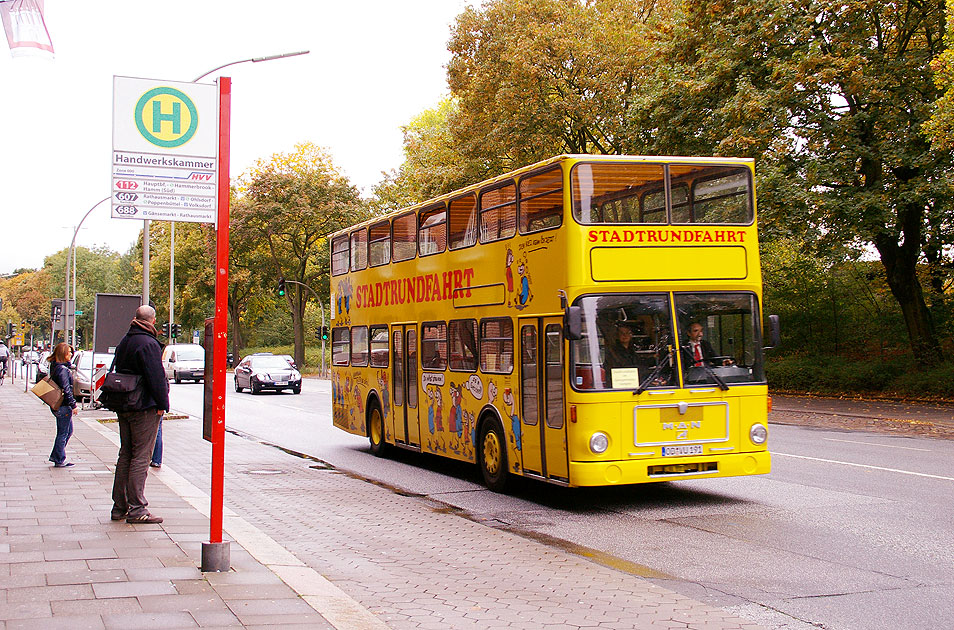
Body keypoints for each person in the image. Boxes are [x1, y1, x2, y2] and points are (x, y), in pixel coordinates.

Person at [110, 305, 169, 524]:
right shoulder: (148, 343)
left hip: (124, 404)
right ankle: (137, 508)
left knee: (125, 454)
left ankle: (119, 506)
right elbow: (156, 377)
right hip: (143, 406)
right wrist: (163, 403)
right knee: (141, 457)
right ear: (152, 321)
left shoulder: (126, 340)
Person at [47, 343, 77, 467]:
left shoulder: (55, 367)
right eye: (68, 352)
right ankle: (58, 459)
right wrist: (73, 404)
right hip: (63, 405)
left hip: (59, 405)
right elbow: (66, 389)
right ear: (63, 354)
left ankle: (56, 455)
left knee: (67, 431)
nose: (71, 354)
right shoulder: (62, 369)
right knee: (64, 432)